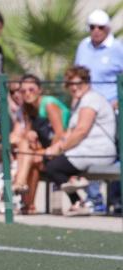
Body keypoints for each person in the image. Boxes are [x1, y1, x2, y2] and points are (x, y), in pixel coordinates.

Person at [44, 66, 117, 216]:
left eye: (78, 83)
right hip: (84, 151)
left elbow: (81, 131)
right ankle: (76, 190)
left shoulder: (91, 98)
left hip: (99, 151)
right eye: (70, 84)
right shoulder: (79, 102)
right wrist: (53, 148)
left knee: (54, 167)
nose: (74, 87)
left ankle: (77, 189)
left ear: (87, 82)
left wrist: (60, 149)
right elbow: (69, 134)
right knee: (48, 162)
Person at [74, 8, 123, 213]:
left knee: (115, 153)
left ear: (107, 29)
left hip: (111, 110)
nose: (96, 31)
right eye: (92, 27)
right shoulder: (83, 47)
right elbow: (78, 76)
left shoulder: (117, 48)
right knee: (89, 150)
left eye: (100, 27)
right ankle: (96, 200)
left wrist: (118, 102)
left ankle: (116, 199)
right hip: (88, 110)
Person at [12, 74, 69, 213]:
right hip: (42, 149)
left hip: (62, 148)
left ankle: (20, 185)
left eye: (31, 89)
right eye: (23, 91)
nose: (27, 93)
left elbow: (60, 134)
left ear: (40, 90)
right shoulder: (27, 107)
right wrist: (29, 134)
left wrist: (46, 153)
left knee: (32, 156)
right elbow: (23, 132)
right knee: (29, 153)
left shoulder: (48, 104)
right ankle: (29, 205)